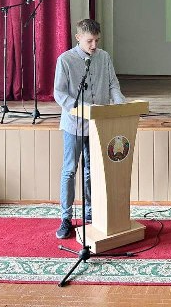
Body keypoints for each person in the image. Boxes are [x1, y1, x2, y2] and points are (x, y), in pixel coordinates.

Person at [53, 19, 126, 239]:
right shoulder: (65, 60)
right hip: (74, 125)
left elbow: (113, 85)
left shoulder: (104, 57)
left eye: (97, 40)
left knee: (91, 171)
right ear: (78, 38)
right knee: (70, 170)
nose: (94, 45)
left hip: (98, 124)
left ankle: (91, 212)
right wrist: (82, 108)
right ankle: (66, 218)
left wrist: (122, 105)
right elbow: (59, 93)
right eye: (89, 41)